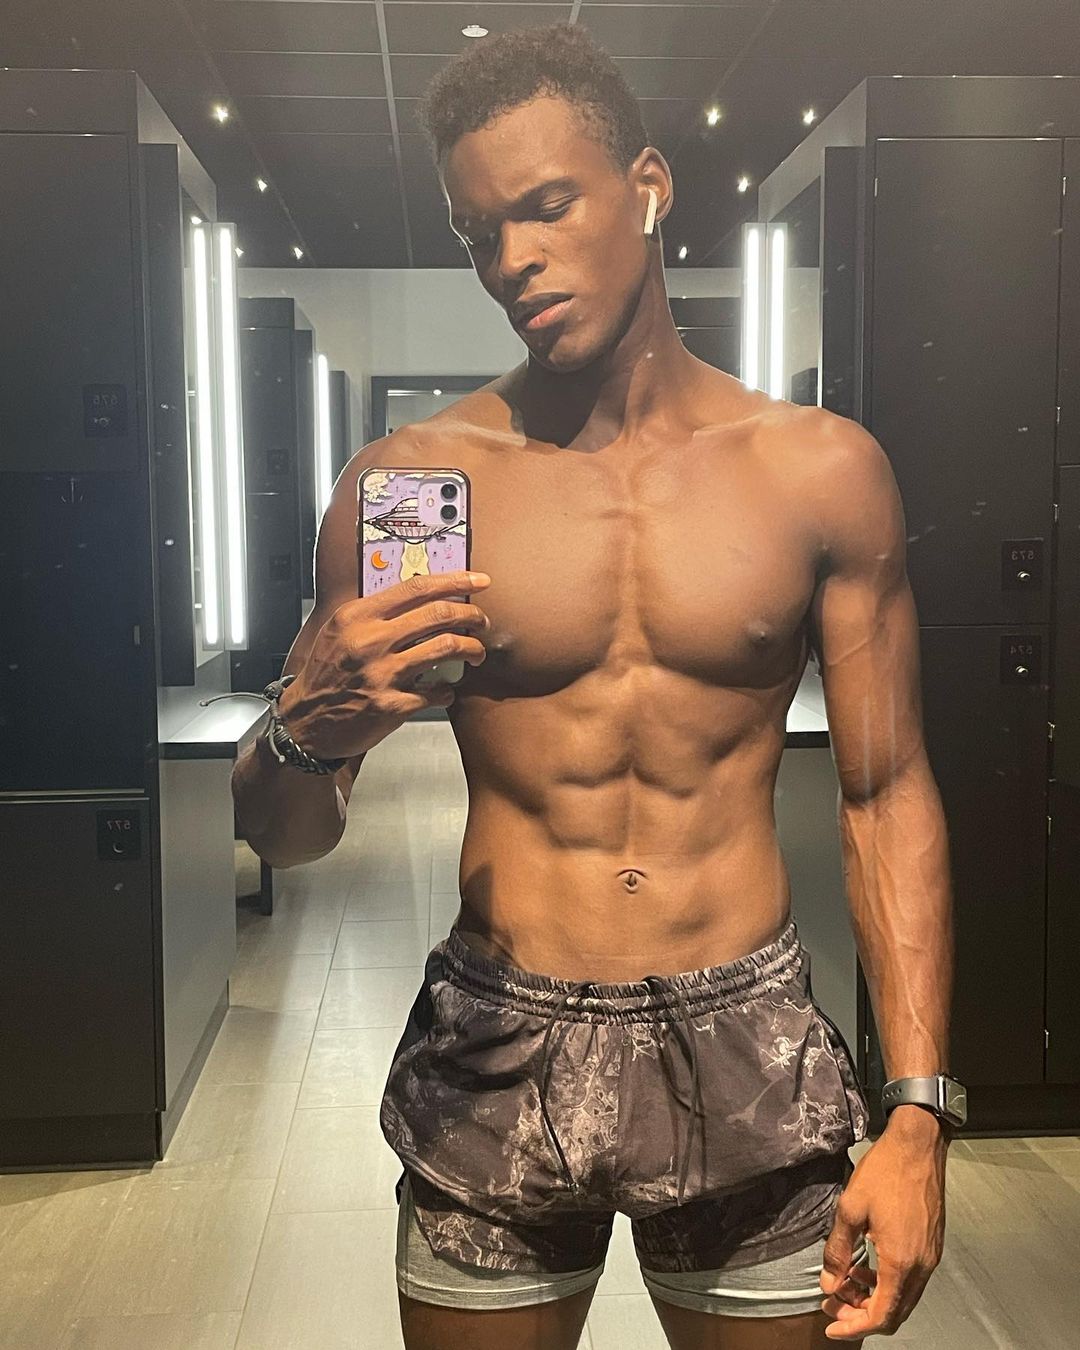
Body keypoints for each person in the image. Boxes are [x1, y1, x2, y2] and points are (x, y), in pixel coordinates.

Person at [231, 21, 955, 1350]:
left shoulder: (817, 471)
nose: (510, 259)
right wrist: (298, 729)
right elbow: (286, 835)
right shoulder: (420, 481)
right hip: (497, 1036)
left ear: (649, 186)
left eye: (547, 205)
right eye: (479, 232)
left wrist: (917, 1113)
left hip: (746, 1030)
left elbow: (888, 790)